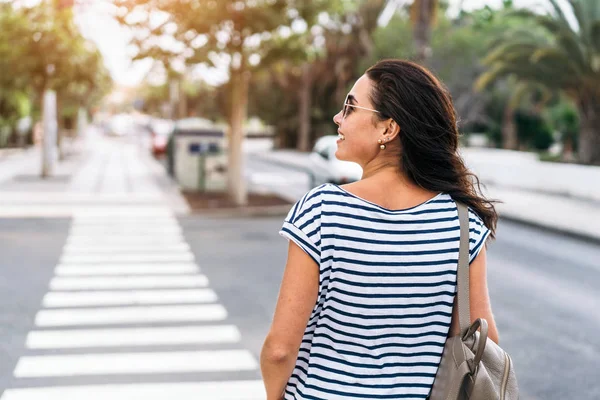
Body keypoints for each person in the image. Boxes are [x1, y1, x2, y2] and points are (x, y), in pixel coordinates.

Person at [260, 59, 499, 400]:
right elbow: (484, 343)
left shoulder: (321, 211)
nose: (337, 118)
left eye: (350, 107)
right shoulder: (464, 224)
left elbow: (280, 350)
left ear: (388, 128)